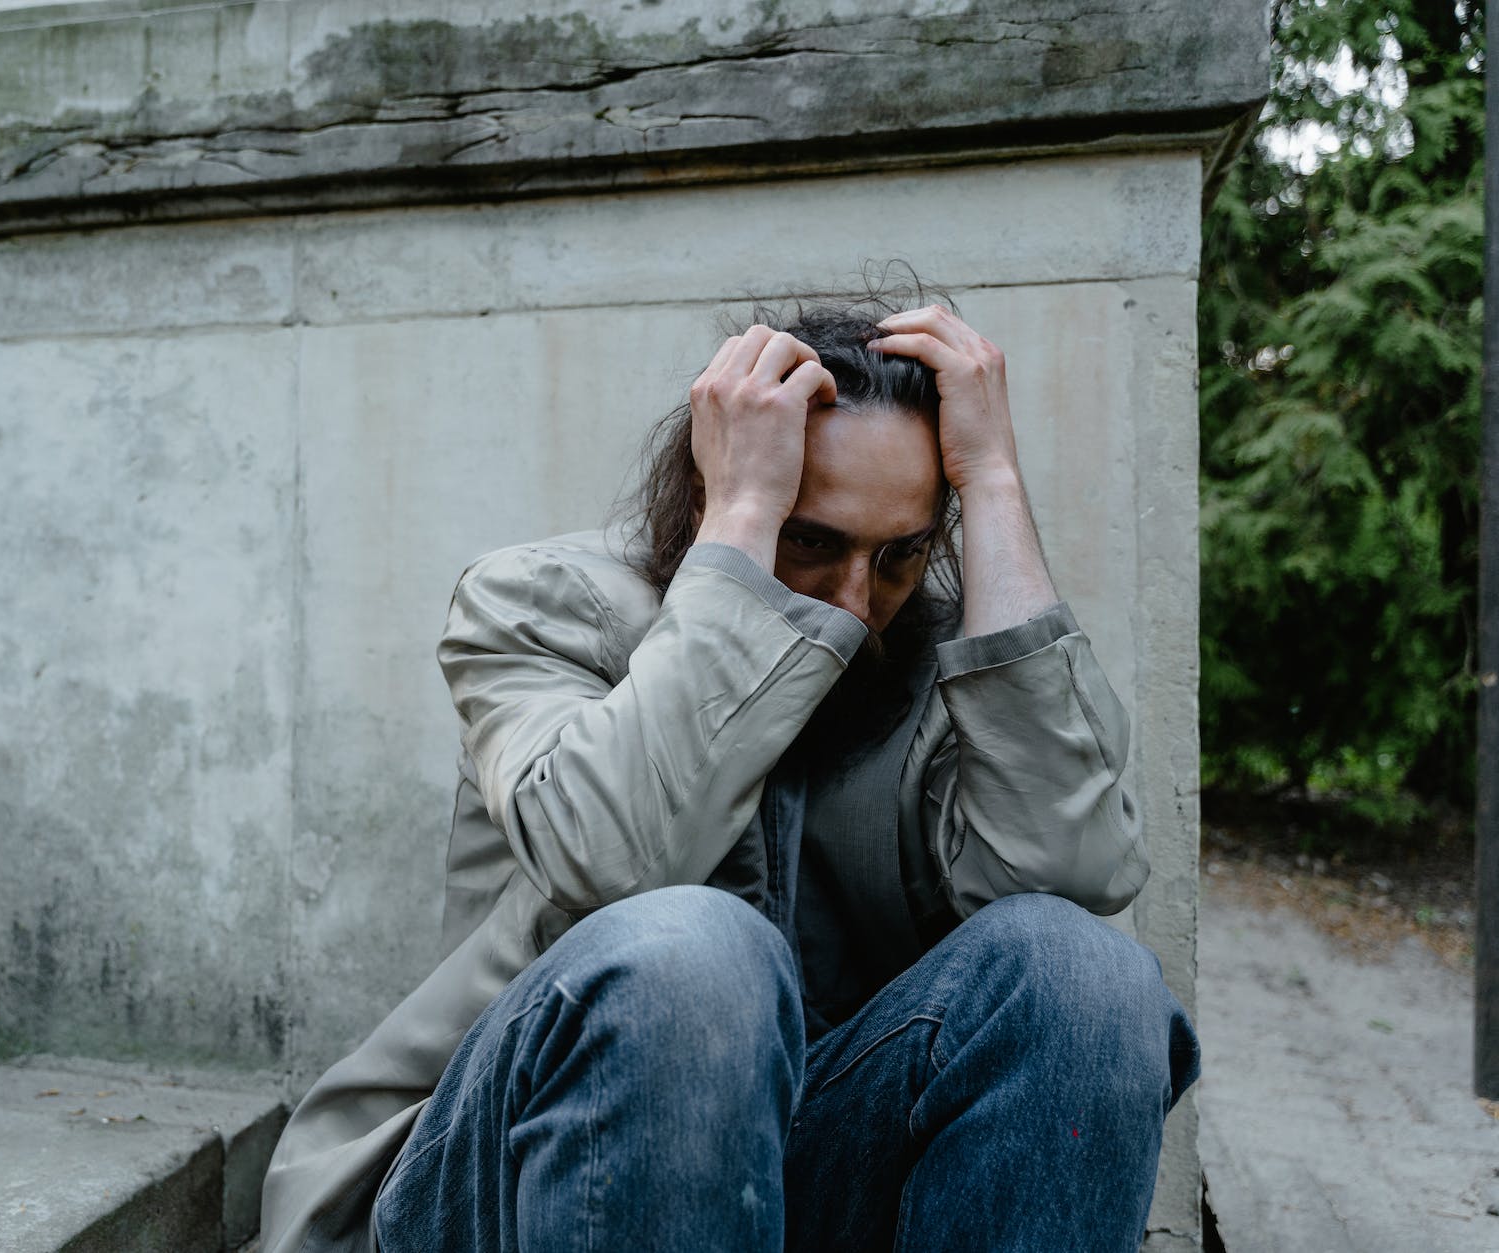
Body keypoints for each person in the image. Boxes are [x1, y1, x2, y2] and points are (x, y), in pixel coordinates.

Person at [260, 277, 1201, 1253]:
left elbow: (1067, 874)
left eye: (898, 555)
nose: (852, 603)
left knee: (1084, 971)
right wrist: (742, 525)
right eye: (809, 540)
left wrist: (994, 480)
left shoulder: (937, 668)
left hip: (793, 1182)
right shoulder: (536, 605)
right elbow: (617, 858)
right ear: (713, 489)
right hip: (498, 1177)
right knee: (689, 952)